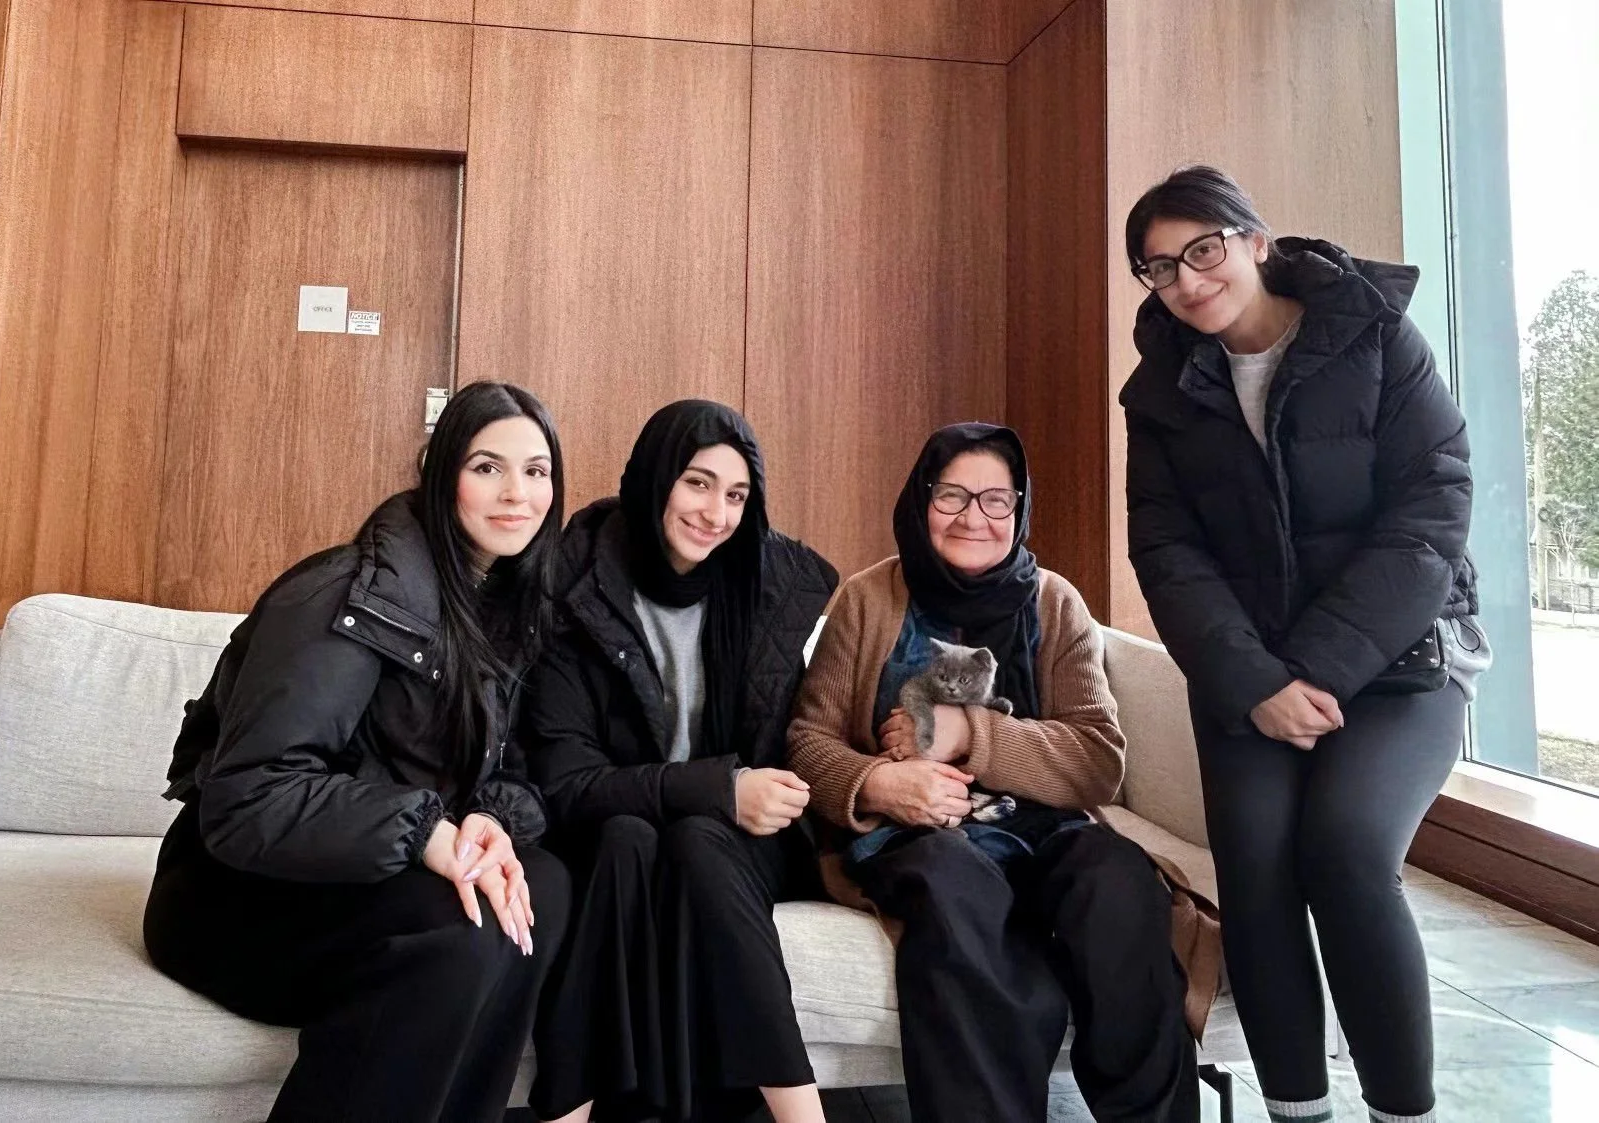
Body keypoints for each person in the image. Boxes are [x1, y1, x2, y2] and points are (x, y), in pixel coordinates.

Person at [1120, 165, 1491, 1123]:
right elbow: (1167, 551)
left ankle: (1402, 1109)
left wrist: (1319, 668)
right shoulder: (1157, 391)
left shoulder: (1372, 333)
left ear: (1254, 239)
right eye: (1160, 268)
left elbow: (1433, 506)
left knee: (1347, 847)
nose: (1189, 280)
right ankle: (1297, 1108)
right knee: (1255, 864)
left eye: (1203, 249)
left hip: (1403, 661)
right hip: (1250, 677)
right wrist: (1255, 682)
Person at [143, 381, 572, 1123]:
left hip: (356, 877)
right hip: (233, 891)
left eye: (536, 471)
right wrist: (427, 831)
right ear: (441, 475)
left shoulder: (501, 607)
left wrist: (491, 821)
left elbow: (510, 769)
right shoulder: (346, 592)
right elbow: (251, 798)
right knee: (461, 931)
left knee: (543, 884)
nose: (517, 493)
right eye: (487, 467)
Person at [788, 423, 1208, 1123]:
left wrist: (970, 734)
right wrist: (876, 783)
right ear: (920, 500)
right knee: (954, 894)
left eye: (995, 500)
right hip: (916, 834)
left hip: (1043, 828)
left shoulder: (1055, 603)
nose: (973, 517)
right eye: (952, 495)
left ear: (1019, 509)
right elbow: (806, 739)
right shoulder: (867, 599)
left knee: (1117, 881)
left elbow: (1100, 760)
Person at [522, 400, 839, 1123]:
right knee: (630, 838)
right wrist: (718, 789)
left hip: (740, 842)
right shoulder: (574, 590)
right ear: (656, 477)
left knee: (696, 841)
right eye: (698, 483)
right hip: (617, 829)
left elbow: (783, 763)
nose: (716, 513)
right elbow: (568, 785)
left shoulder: (766, 590)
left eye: (736, 494)